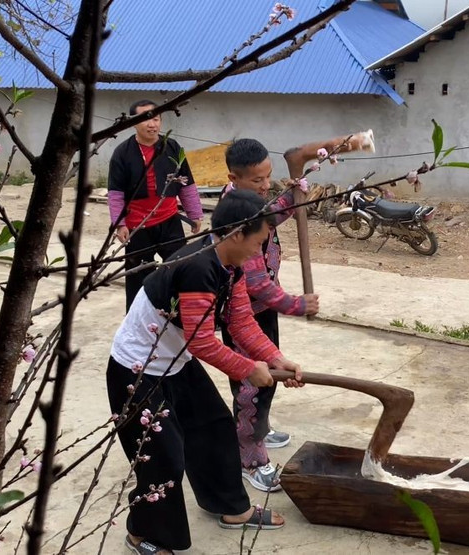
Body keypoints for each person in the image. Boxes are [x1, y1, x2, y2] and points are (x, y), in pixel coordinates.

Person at [106, 190, 303, 554]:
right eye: (259, 242)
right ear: (237, 233)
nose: (260, 253)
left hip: (174, 361)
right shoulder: (198, 268)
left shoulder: (231, 265)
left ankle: (231, 508)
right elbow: (202, 343)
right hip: (136, 370)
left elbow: (241, 321)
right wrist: (249, 369)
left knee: (214, 427)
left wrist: (275, 358)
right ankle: (141, 535)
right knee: (163, 458)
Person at [220, 138, 319, 493]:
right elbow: (258, 283)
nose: (266, 186)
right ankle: (251, 458)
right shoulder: (237, 215)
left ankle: (257, 429)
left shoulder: (251, 203)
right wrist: (298, 304)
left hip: (260, 314)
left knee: (265, 383)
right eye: (258, 181)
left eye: (269, 178)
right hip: (243, 314)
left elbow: (271, 214)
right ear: (234, 177)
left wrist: (291, 197)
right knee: (251, 391)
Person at [108, 99, 204, 312]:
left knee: (180, 266)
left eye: (156, 118)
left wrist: (195, 213)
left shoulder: (172, 147)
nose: (152, 124)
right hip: (138, 225)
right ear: (133, 123)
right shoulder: (122, 153)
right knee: (137, 275)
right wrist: (119, 224)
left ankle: (180, 313)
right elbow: (115, 193)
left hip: (169, 220)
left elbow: (186, 182)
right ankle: (137, 317)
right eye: (145, 119)